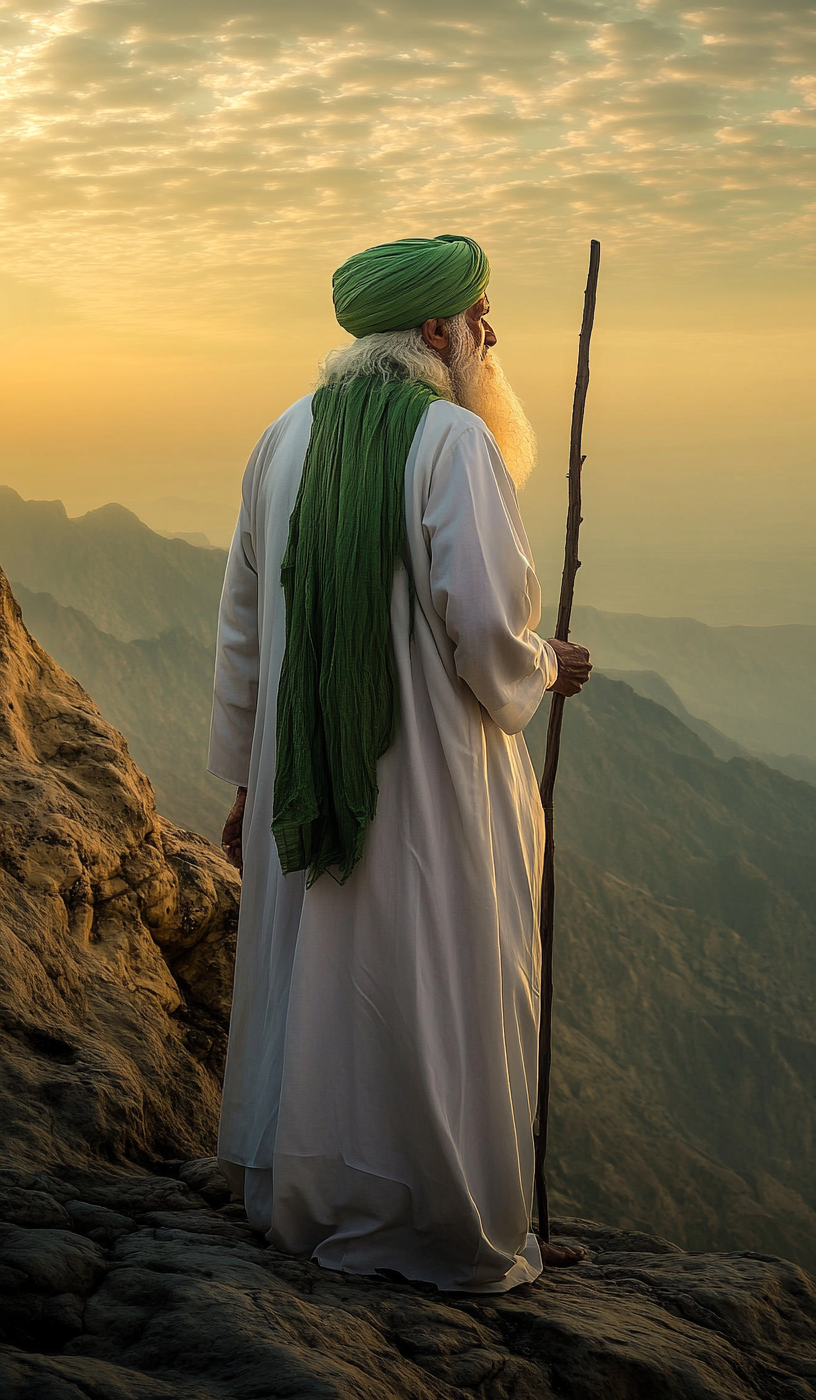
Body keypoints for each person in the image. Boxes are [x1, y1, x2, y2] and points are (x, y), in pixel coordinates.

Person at [209, 234, 592, 1293]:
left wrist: (248, 780)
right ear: (436, 332)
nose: (489, 334)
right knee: (431, 992)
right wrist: (544, 665)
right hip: (427, 791)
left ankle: (313, 1195)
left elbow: (243, 629)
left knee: (323, 987)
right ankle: (438, 1222)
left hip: (306, 783)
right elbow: (484, 632)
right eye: (481, 316)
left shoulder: (280, 440)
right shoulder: (451, 443)